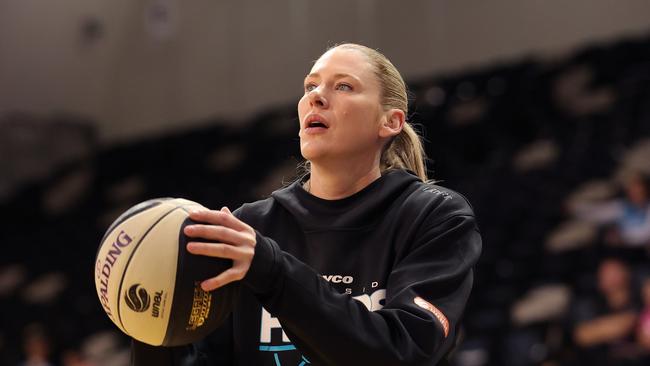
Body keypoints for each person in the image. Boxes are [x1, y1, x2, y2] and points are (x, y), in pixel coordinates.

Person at [132, 43, 482, 365]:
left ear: (390, 122)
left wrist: (272, 271)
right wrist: (152, 328)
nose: (316, 97)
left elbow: (403, 352)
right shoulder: (251, 227)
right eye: (310, 86)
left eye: (343, 86)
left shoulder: (435, 217)